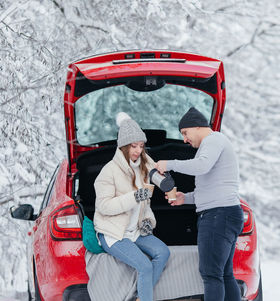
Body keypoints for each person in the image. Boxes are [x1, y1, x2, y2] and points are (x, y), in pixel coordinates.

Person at [155, 107, 244, 301]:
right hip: (223, 214)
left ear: (196, 126)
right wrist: (184, 198)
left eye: (185, 133)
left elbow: (201, 166)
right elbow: (209, 189)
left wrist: (169, 164)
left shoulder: (214, 140)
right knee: (223, 274)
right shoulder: (213, 144)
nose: (185, 140)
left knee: (211, 274)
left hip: (218, 216)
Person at [94, 112, 172, 301]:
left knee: (163, 252)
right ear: (123, 146)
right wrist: (135, 197)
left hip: (136, 230)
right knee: (144, 266)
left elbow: (160, 177)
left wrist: (168, 183)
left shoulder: (144, 164)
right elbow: (104, 206)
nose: (137, 150)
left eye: (141, 146)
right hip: (114, 233)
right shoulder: (108, 171)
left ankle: (139, 297)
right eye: (133, 146)